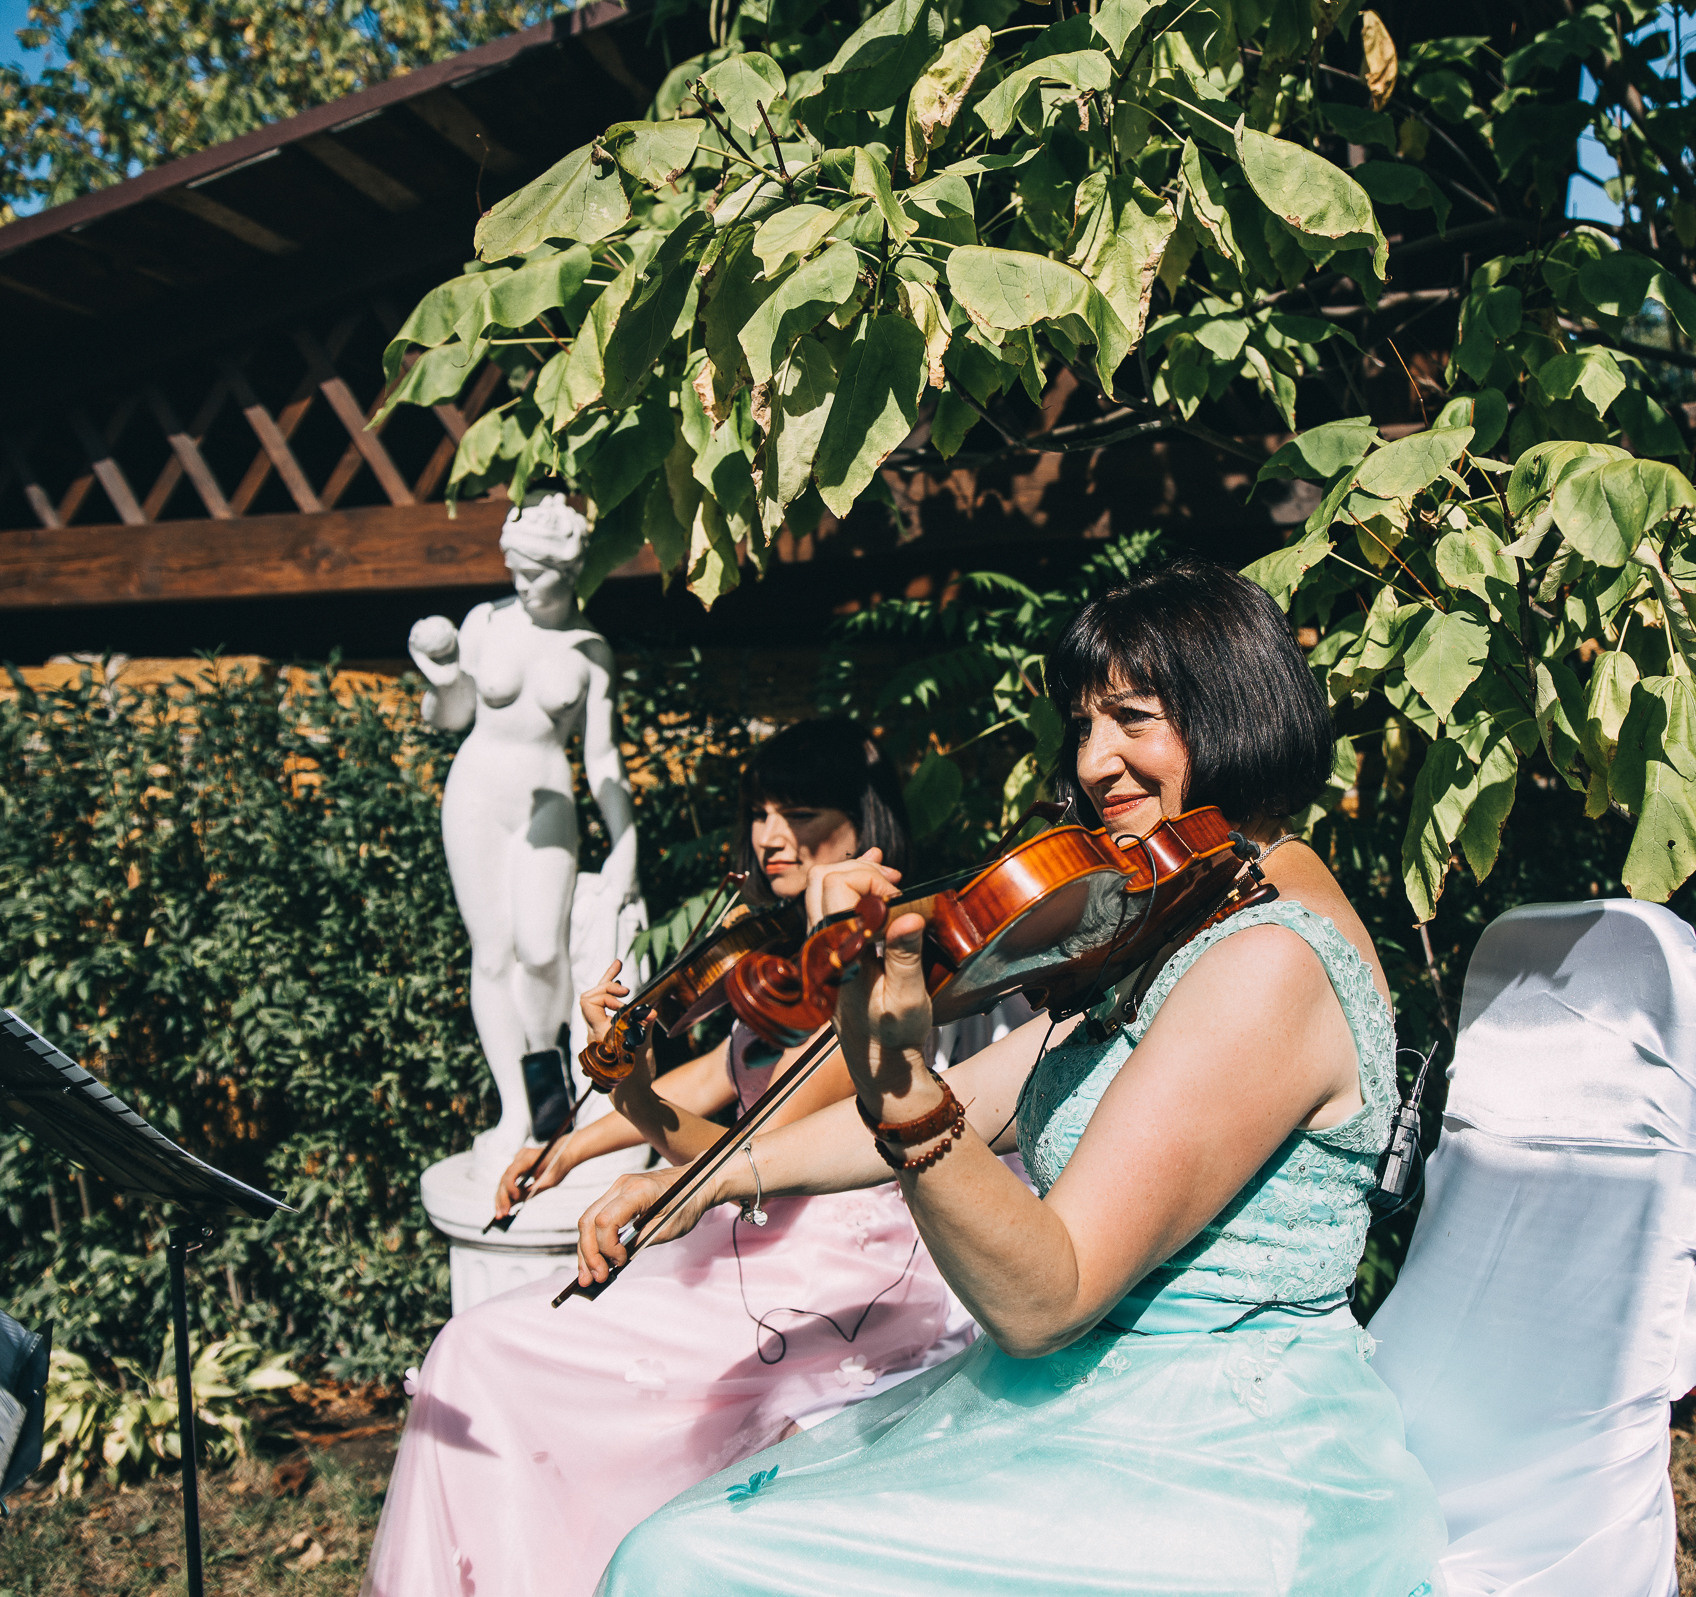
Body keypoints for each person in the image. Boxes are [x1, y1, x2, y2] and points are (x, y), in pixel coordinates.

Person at [582, 561, 1448, 1595]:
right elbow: (991, 1095)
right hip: (1110, 1401)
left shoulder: (1268, 960)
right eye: (1082, 727)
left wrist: (900, 1079)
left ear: (1238, 710)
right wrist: (716, 1174)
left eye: (1131, 719)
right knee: (696, 1539)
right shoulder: (1189, 909)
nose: (1093, 762)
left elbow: (1048, 1296)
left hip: (1215, 1454)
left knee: (684, 1563)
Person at [364, 721, 1013, 1597]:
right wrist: (567, 1143)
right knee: (480, 1347)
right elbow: (722, 1075)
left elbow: (745, 1155)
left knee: (483, 1351)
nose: (768, 835)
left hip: (838, 1272)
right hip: (755, 1242)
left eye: (799, 813)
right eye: (760, 812)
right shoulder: (784, 956)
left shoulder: (873, 974)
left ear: (861, 831)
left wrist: (634, 1098)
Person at [406, 495, 635, 1177]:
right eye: (517, 570)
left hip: (547, 801)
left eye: (537, 573)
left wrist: (625, 844)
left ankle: (551, 1094)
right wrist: (443, 673)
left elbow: (603, 759)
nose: (522, 585)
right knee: (494, 951)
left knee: (542, 951)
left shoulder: (591, 652)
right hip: (477, 792)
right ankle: (520, 1111)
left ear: (570, 571)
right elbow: (449, 716)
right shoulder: (484, 622)